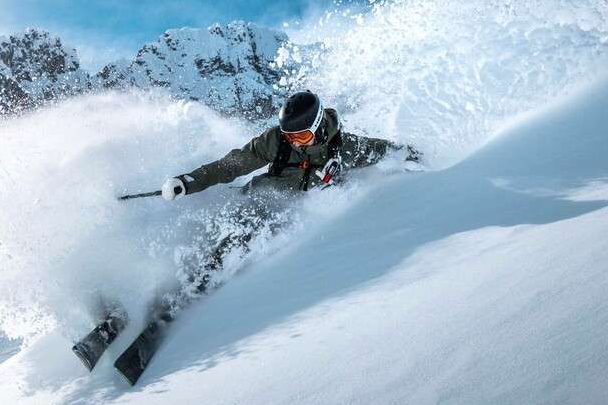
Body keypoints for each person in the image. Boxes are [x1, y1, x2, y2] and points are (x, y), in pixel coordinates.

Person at [158, 90, 419, 293]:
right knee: (210, 223)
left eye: (302, 137)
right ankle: (165, 281)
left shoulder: (346, 149)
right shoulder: (275, 140)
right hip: (253, 196)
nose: (295, 142)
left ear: (318, 127)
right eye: (289, 136)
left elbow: (388, 151)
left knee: (243, 233)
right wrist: (189, 182)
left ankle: (198, 286)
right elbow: (233, 165)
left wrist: (416, 159)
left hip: (279, 214)